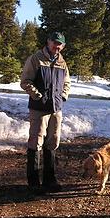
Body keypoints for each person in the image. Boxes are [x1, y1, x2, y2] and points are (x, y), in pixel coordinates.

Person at [20, 32, 70, 194]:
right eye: (55, 43)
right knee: (36, 142)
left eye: (60, 44)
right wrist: (36, 95)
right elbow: (25, 81)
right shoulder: (36, 59)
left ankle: (50, 180)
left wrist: (63, 95)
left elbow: (67, 82)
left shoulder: (62, 62)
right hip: (39, 109)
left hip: (56, 109)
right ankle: (33, 181)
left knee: (53, 141)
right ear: (48, 42)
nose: (57, 46)